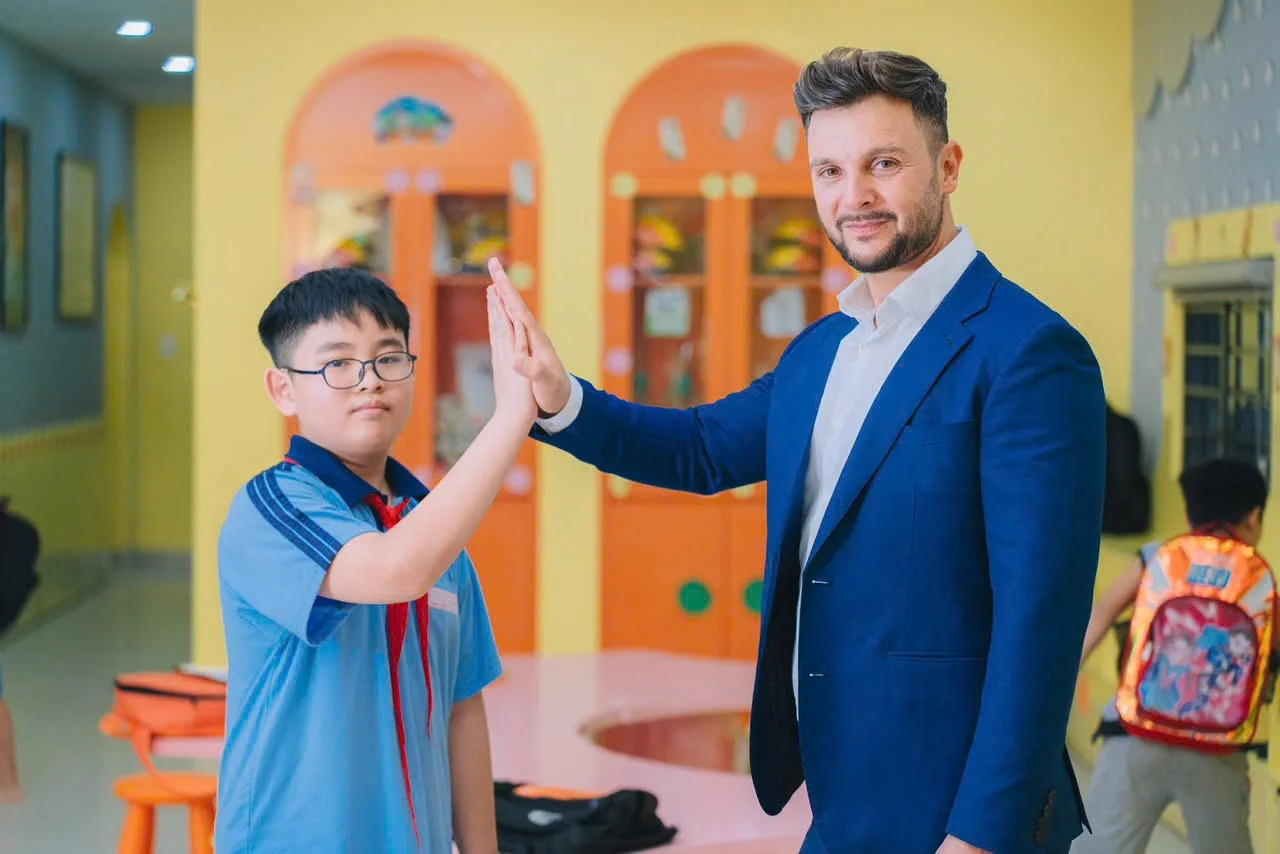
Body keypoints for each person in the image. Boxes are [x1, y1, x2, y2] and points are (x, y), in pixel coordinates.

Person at [494, 46, 1107, 853]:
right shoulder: (825, 350)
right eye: (829, 171)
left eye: (883, 163)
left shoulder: (1029, 352)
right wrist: (560, 396)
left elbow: (1042, 625)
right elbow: (704, 448)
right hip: (844, 792)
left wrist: (982, 835)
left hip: (959, 812)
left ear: (948, 165)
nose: (854, 196)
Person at [215, 266, 535, 853]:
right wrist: (512, 416)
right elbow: (393, 571)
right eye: (337, 363)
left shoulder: (428, 523)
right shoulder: (271, 507)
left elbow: (464, 706)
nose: (369, 381)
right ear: (283, 389)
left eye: (389, 358)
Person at [1074, 458, 1279, 854]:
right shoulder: (1258, 583)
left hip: (1135, 736)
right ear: (1254, 517)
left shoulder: (1157, 557)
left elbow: (1100, 616)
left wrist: (1057, 687)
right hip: (1217, 751)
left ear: (1187, 514)